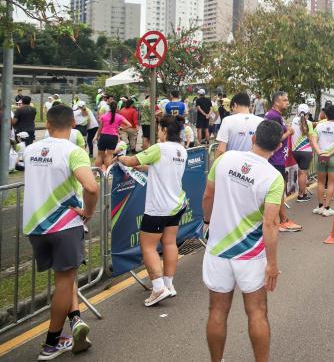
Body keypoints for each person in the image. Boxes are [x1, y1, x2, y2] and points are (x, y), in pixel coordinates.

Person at [202, 120, 284, 362]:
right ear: (278, 147)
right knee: (257, 312)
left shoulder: (224, 159)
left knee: (217, 311)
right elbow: (270, 223)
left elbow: (208, 195)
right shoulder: (273, 177)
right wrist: (272, 264)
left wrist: (207, 222)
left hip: (218, 249)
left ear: (253, 138)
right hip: (251, 254)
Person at [23, 105, 98, 358]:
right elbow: (91, 187)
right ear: (73, 125)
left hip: (35, 227)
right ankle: (52, 342)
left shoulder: (30, 149)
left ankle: (75, 320)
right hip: (64, 224)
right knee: (66, 283)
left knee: (63, 280)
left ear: (48, 124)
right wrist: (88, 211)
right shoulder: (74, 151)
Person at [118, 115, 188, 307]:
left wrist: (119, 157)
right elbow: (159, 167)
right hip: (176, 204)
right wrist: (142, 166)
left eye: (158, 129)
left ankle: (157, 288)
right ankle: (169, 285)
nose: (157, 133)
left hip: (158, 206)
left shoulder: (159, 148)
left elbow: (131, 160)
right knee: (170, 243)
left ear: (165, 130)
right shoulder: (181, 150)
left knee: (148, 246)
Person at [263, 92, 302, 232]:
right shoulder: (274, 116)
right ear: (276, 102)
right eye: (284, 100)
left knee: (275, 191)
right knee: (279, 191)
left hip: (275, 158)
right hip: (275, 159)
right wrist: (289, 132)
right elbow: (275, 139)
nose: (287, 102)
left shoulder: (274, 115)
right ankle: (282, 221)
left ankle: (277, 220)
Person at [312, 104, 334, 216]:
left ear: (325, 114)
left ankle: (320, 206)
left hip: (321, 156)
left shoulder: (319, 126)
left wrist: (320, 153)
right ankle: (327, 208)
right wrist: (329, 154)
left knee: (320, 182)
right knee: (331, 183)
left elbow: (314, 141)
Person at [215, 93, 264, 157]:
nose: (232, 112)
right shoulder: (261, 121)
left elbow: (221, 150)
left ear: (235, 105)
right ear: (249, 106)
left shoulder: (227, 120)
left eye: (232, 109)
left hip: (232, 164)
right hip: (253, 164)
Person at [291, 104, 317, 202]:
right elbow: (311, 140)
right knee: (303, 173)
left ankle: (303, 192)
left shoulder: (293, 121)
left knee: (301, 173)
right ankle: (301, 195)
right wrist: (314, 150)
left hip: (295, 151)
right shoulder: (309, 123)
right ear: (308, 113)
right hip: (305, 151)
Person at [95, 101, 132, 169]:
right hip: (113, 137)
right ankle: (106, 172)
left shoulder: (103, 116)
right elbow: (129, 125)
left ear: (109, 107)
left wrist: (97, 137)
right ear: (117, 108)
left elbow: (100, 128)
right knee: (109, 155)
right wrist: (121, 129)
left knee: (100, 155)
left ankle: (95, 172)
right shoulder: (119, 117)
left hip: (103, 136)